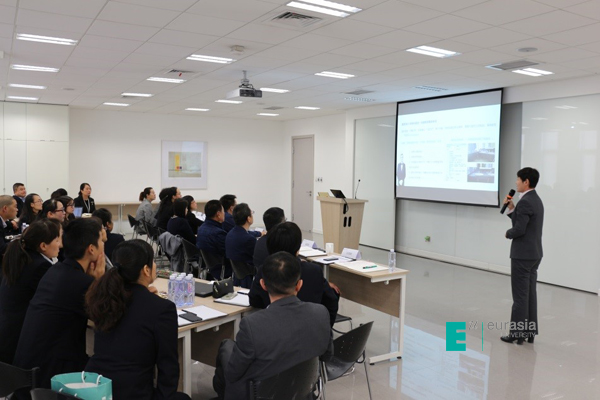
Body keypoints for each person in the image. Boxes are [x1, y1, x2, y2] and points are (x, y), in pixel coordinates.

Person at [213, 251, 333, 400]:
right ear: (299, 285)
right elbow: (327, 355)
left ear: (263, 284)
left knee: (226, 349)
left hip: (258, 394)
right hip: (304, 391)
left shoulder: (252, 325)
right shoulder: (321, 313)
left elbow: (233, 373)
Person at [85, 240, 190, 400]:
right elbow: (168, 368)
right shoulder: (162, 309)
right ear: (146, 270)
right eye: (153, 262)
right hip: (132, 391)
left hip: (96, 388)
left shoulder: (104, 298)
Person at [13, 218, 105, 391]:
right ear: (91, 249)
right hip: (50, 377)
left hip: (28, 370)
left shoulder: (56, 271)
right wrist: (98, 281)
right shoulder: (80, 282)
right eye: (101, 241)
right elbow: (108, 315)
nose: (103, 245)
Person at [249, 221, 339, 326]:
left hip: (274, 328)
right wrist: (324, 329)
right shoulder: (314, 271)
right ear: (298, 249)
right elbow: (331, 302)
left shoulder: (265, 270)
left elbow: (254, 300)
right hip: (309, 329)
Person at [0, 219, 61, 363]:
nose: (60, 245)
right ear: (43, 246)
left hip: (8, 329)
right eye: (57, 240)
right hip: (19, 334)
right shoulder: (40, 267)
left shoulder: (22, 257)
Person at [501, 167, 544, 345]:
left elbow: (519, 229)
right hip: (534, 254)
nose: (516, 182)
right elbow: (523, 222)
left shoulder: (526, 201)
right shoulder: (535, 199)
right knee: (530, 295)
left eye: (518, 179)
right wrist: (512, 210)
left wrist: (508, 233)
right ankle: (529, 332)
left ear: (526, 181)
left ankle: (516, 333)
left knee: (520, 296)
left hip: (522, 255)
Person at [225, 203, 264, 288]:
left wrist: (259, 234)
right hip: (250, 275)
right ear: (248, 219)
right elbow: (259, 259)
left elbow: (247, 233)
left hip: (238, 275)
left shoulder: (230, 234)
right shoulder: (249, 239)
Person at [196, 200, 228, 279]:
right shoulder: (218, 233)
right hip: (221, 269)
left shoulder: (201, 228)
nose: (224, 214)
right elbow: (228, 254)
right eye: (223, 211)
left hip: (209, 266)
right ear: (218, 214)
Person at [0, 195, 19, 262]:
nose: (17, 209)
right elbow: (2, 249)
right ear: (5, 208)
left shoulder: (4, 222)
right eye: (15, 206)